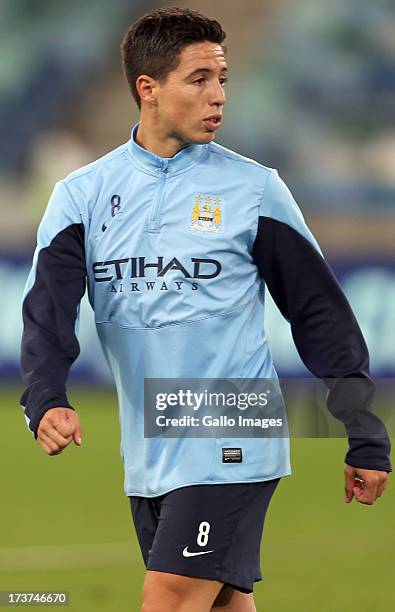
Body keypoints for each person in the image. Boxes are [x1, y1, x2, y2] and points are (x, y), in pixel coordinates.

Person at [20, 7, 391, 612]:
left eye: (222, 78)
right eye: (198, 79)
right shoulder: (81, 196)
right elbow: (48, 312)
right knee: (220, 604)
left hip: (232, 427)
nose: (218, 95)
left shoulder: (255, 189)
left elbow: (320, 314)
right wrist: (46, 397)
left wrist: (364, 432)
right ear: (149, 88)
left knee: (166, 599)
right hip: (152, 440)